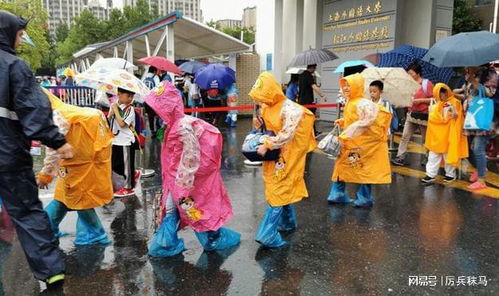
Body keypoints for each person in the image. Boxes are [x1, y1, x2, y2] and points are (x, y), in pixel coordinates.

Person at [0, 10, 73, 288]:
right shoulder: (13, 66)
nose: (20, 41)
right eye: (19, 35)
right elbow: (34, 110)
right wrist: (58, 141)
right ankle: (51, 272)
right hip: (7, 153)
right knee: (28, 212)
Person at [145, 81, 240, 257]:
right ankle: (168, 244)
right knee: (177, 210)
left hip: (183, 183)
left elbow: (191, 157)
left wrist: (182, 188)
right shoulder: (172, 125)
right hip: (175, 181)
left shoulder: (182, 127)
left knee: (194, 211)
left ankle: (207, 239)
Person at [37, 89, 114, 245]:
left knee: (79, 199)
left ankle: (93, 234)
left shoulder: (57, 116)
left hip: (79, 167)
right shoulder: (65, 111)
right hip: (77, 165)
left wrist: (45, 175)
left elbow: (54, 150)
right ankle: (46, 229)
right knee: (63, 197)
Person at [249, 72, 317, 248]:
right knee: (278, 186)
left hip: (288, 155)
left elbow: (287, 134)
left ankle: (268, 234)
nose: (262, 101)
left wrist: (268, 145)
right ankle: (288, 222)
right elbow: (264, 127)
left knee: (278, 189)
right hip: (274, 154)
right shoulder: (266, 106)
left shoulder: (290, 109)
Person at [327, 73, 392, 208]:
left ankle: (355, 196)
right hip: (352, 143)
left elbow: (368, 120)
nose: (345, 88)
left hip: (360, 144)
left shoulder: (362, 103)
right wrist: (344, 122)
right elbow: (356, 119)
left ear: (356, 86)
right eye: (344, 85)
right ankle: (345, 195)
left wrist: (349, 130)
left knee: (361, 168)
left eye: (348, 85)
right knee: (346, 167)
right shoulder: (351, 101)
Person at [421, 84, 468, 184]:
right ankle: (430, 174)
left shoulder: (455, 102)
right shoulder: (437, 104)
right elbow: (433, 118)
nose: (441, 96)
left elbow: (458, 119)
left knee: (447, 155)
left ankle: (450, 175)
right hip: (438, 134)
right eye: (439, 94)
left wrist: (455, 115)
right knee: (434, 155)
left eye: (442, 94)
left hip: (448, 134)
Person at [392, 62, 434, 167]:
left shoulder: (426, 84)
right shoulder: (409, 84)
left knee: (426, 139)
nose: (409, 75)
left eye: (411, 73)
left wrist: (420, 101)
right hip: (411, 115)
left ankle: (428, 157)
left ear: (417, 73)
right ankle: (400, 157)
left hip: (423, 115)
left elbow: (434, 99)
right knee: (405, 136)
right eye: (408, 73)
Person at [464, 69, 495, 190]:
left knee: (478, 148)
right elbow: (470, 95)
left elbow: (490, 93)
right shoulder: (471, 74)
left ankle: (482, 180)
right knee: (471, 148)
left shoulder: (489, 74)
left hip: (484, 119)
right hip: (472, 118)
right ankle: (480, 169)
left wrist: (474, 81)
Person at [109, 88, 137, 197]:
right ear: (119, 95)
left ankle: (129, 187)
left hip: (126, 141)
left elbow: (122, 123)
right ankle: (132, 174)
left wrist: (115, 109)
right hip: (116, 140)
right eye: (128, 96)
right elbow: (110, 119)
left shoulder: (130, 109)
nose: (130, 99)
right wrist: (112, 110)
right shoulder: (116, 106)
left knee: (126, 165)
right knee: (116, 165)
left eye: (132, 96)